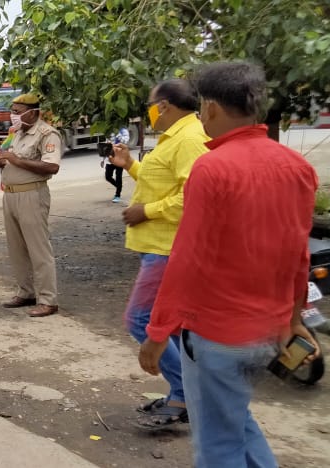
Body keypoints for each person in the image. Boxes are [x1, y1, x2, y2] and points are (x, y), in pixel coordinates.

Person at [139, 61, 320, 467]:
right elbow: (299, 255)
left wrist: (157, 332)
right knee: (236, 422)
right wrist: (294, 320)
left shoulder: (212, 167)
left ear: (211, 107)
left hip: (218, 334)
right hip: (270, 332)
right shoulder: (298, 167)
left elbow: (188, 258)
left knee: (217, 447)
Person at [109, 79, 209, 429]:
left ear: (164, 105)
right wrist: (130, 166)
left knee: (142, 320)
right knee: (171, 327)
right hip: (157, 246)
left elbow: (193, 195)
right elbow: (163, 184)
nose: (150, 111)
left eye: (151, 105)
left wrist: (146, 211)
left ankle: (186, 395)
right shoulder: (175, 137)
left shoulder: (190, 139)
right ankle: (184, 394)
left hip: (168, 249)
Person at [0, 93, 62, 317]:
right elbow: (10, 161)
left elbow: (52, 167)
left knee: (38, 249)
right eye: (12, 111)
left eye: (17, 111)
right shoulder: (17, 133)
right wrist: (1, 162)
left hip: (32, 195)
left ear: (33, 112)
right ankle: (26, 292)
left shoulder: (47, 134)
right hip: (10, 195)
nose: (13, 115)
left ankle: (48, 300)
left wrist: (16, 160)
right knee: (17, 248)